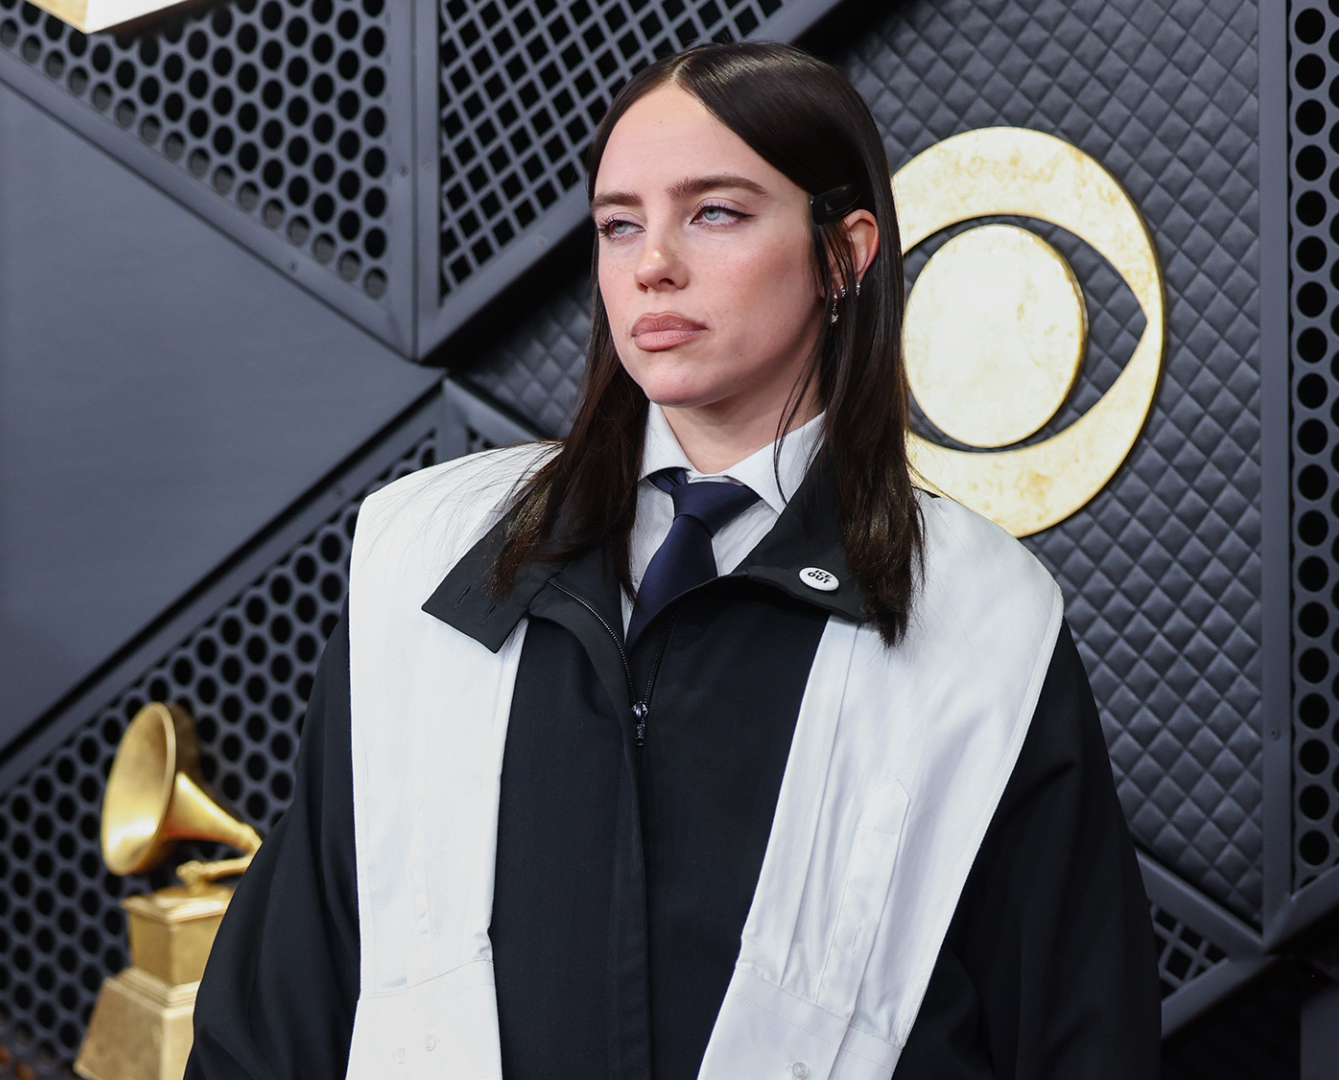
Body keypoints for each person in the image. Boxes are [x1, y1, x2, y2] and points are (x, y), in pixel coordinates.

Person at [186, 41, 1158, 1080]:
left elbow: (1075, 1035)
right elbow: (279, 1008)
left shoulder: (979, 615)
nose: (652, 262)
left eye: (716, 213)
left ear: (845, 252)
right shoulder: (427, 558)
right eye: (619, 223)